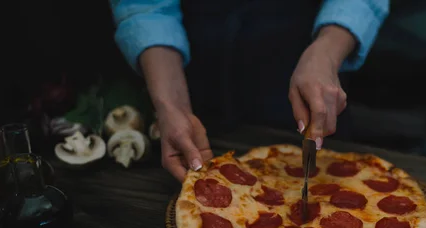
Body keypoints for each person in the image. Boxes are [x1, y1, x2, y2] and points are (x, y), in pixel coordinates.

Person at [109, 0, 389, 181]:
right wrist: (171, 105)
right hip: (188, 69)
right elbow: (145, 6)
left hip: (307, 57)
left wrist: (327, 53)